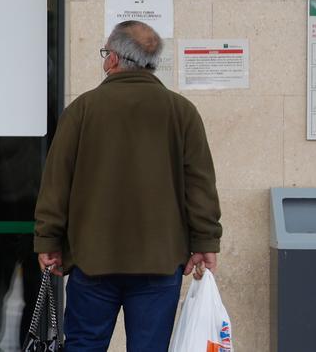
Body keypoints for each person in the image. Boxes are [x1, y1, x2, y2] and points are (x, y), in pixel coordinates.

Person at [33, 20, 223, 352]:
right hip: (160, 260)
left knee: (84, 345)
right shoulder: (182, 112)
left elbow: (56, 183)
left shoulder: (81, 110)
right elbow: (200, 184)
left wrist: (48, 239)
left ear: (113, 59)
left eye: (106, 53)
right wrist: (205, 240)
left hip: (92, 259)